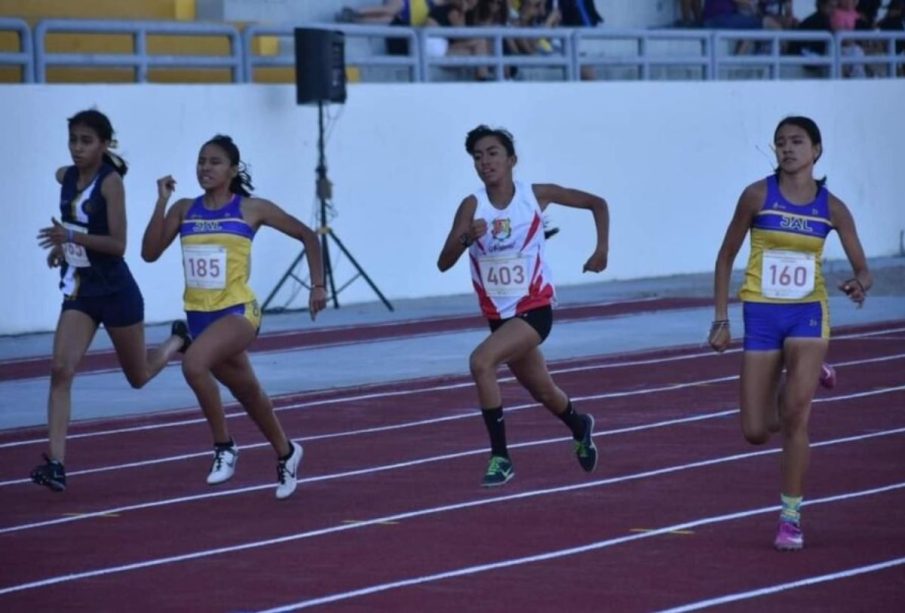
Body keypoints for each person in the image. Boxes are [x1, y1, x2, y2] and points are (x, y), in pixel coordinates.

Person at [709, 116, 872, 551]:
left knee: (797, 414)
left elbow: (864, 269)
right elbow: (725, 257)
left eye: (797, 142)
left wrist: (860, 282)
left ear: (816, 150)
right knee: (756, 430)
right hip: (762, 314)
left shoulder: (832, 207)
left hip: (807, 314)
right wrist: (721, 319)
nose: (787, 149)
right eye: (780, 142)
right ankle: (811, 373)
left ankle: (791, 517)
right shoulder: (756, 195)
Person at [140, 135, 326, 500]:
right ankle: (287, 452)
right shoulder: (183, 208)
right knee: (248, 392)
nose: (205, 168)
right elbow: (148, 253)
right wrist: (160, 202)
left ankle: (224, 446)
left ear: (232, 169)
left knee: (194, 365)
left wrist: (317, 285)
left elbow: (307, 235)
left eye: (215, 162)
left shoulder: (251, 209)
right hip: (200, 319)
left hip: (239, 312)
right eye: (201, 161)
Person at [437, 125, 609, 487]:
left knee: (481, 362)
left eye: (493, 153)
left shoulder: (535, 196)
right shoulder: (472, 206)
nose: (485, 162)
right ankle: (581, 426)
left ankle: (501, 457)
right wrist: (468, 236)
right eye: (478, 157)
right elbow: (444, 260)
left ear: (512, 160)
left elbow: (598, 203)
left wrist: (601, 249)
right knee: (543, 391)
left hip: (535, 308)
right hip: (500, 318)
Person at [31, 109, 188, 492]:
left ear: (103, 144)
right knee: (60, 369)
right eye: (73, 140)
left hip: (116, 291)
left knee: (138, 377)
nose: (77, 149)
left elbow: (117, 246)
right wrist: (62, 251)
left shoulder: (110, 183)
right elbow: (75, 230)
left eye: (86, 141)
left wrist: (70, 239)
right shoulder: (64, 177)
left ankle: (177, 341)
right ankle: (56, 463)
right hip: (82, 292)